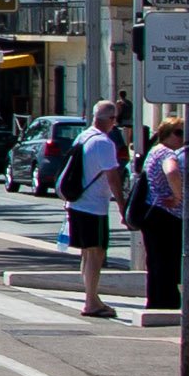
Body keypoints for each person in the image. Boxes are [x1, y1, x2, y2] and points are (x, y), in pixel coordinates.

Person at [68, 98, 126, 319]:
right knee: (96, 253)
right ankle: (91, 301)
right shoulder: (104, 142)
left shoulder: (83, 137)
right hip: (94, 206)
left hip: (78, 202)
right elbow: (113, 177)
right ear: (111, 119)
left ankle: (91, 297)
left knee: (87, 253)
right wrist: (122, 206)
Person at [135, 119, 189, 310]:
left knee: (157, 262)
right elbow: (172, 171)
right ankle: (166, 303)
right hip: (166, 214)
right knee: (168, 262)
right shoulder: (167, 153)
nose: (183, 138)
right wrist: (178, 196)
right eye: (178, 132)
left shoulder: (154, 151)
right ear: (166, 133)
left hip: (153, 214)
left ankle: (157, 301)